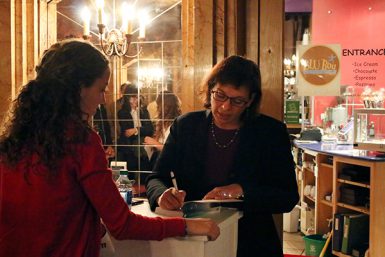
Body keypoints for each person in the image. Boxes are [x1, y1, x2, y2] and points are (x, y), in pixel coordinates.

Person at [0, 39, 220, 257]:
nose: (103, 100)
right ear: (79, 89)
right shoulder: (80, 141)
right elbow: (123, 225)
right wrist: (186, 225)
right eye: (102, 89)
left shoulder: (13, 139)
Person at [146, 55, 299, 257]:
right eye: (220, 95)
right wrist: (162, 195)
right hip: (195, 240)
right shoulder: (186, 126)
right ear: (210, 90)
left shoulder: (270, 132)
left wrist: (241, 190)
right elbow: (156, 177)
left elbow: (287, 197)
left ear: (250, 100)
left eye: (237, 100)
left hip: (252, 242)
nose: (226, 107)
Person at [117, 84, 154, 172]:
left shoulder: (144, 111)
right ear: (127, 98)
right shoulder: (122, 112)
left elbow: (150, 129)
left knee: (145, 173)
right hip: (129, 148)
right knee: (129, 174)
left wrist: (136, 129)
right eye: (132, 97)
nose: (135, 100)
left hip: (143, 147)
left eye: (137, 97)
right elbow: (127, 133)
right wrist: (141, 129)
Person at [144, 91, 182, 168]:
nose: (157, 108)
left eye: (158, 106)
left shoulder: (177, 124)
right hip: (160, 161)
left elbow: (172, 150)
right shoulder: (163, 123)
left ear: (165, 107)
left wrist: (154, 142)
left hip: (171, 165)